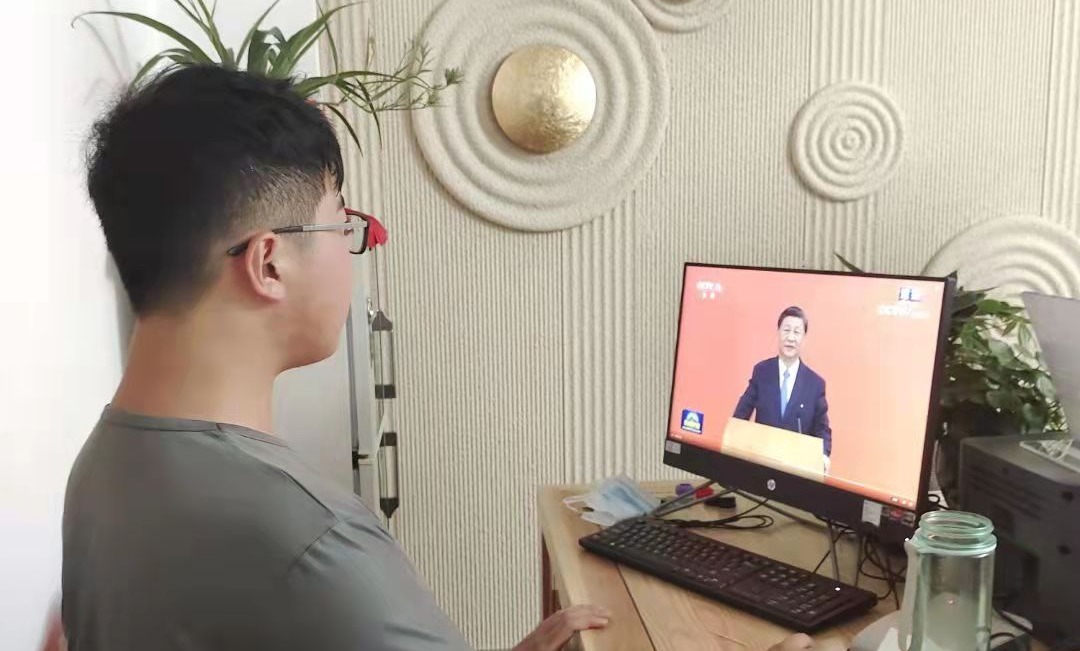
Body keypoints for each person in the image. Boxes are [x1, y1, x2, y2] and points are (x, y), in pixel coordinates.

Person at [60, 65, 610, 651]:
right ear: (269, 263)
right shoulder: (313, 538)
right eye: (341, 222)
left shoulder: (103, 466)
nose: (353, 245)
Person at [733, 306, 832, 468]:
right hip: (762, 462)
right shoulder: (762, 371)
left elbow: (822, 429)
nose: (790, 338)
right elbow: (741, 415)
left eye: (796, 332)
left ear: (804, 338)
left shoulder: (815, 384)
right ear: (778, 333)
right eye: (786, 330)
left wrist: (823, 456)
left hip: (796, 467)